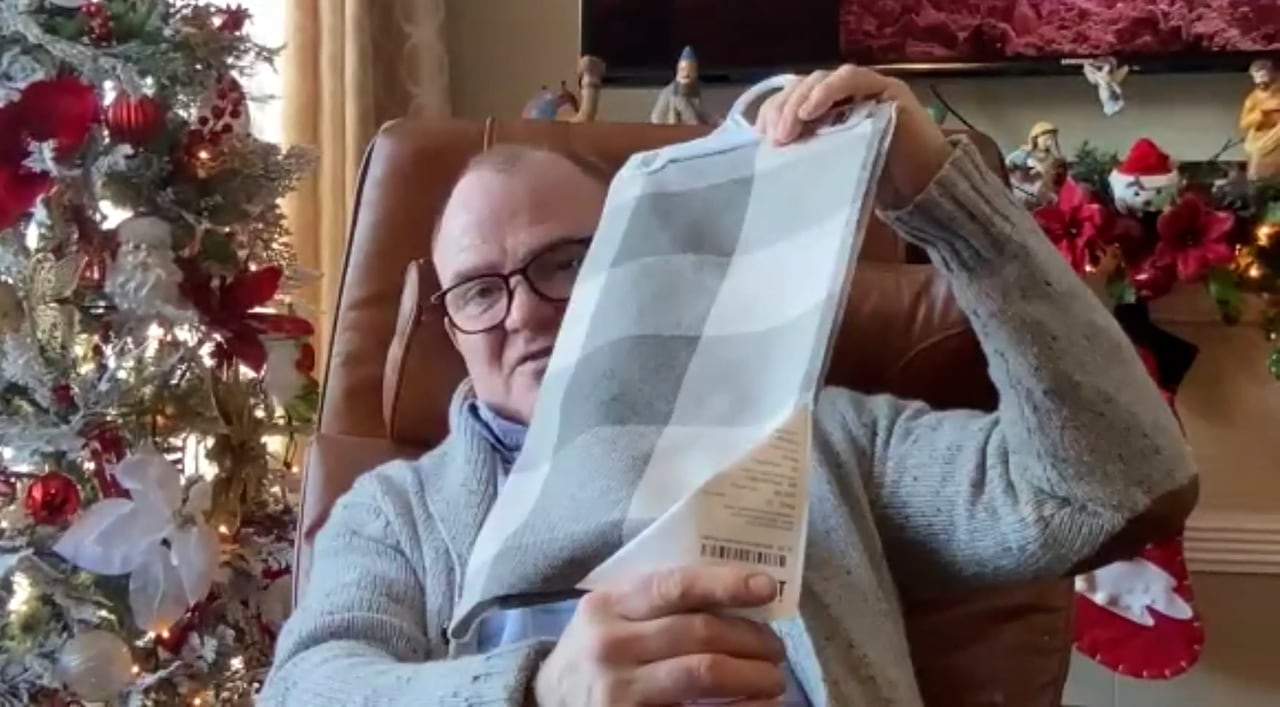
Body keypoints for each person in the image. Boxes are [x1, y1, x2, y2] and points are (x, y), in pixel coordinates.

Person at [260, 65, 1196, 706]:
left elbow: (1115, 480)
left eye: (566, 263)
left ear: (646, 266)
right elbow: (306, 688)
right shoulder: (397, 510)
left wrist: (942, 199)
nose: (524, 312)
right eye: (476, 290)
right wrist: (540, 688)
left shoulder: (823, 440)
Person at [1241, 59, 1280, 181]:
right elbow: (1244, 124)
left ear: (1272, 74)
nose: (1259, 80)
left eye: (1263, 76)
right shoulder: (1252, 99)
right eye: (1256, 77)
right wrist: (1259, 114)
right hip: (1260, 140)